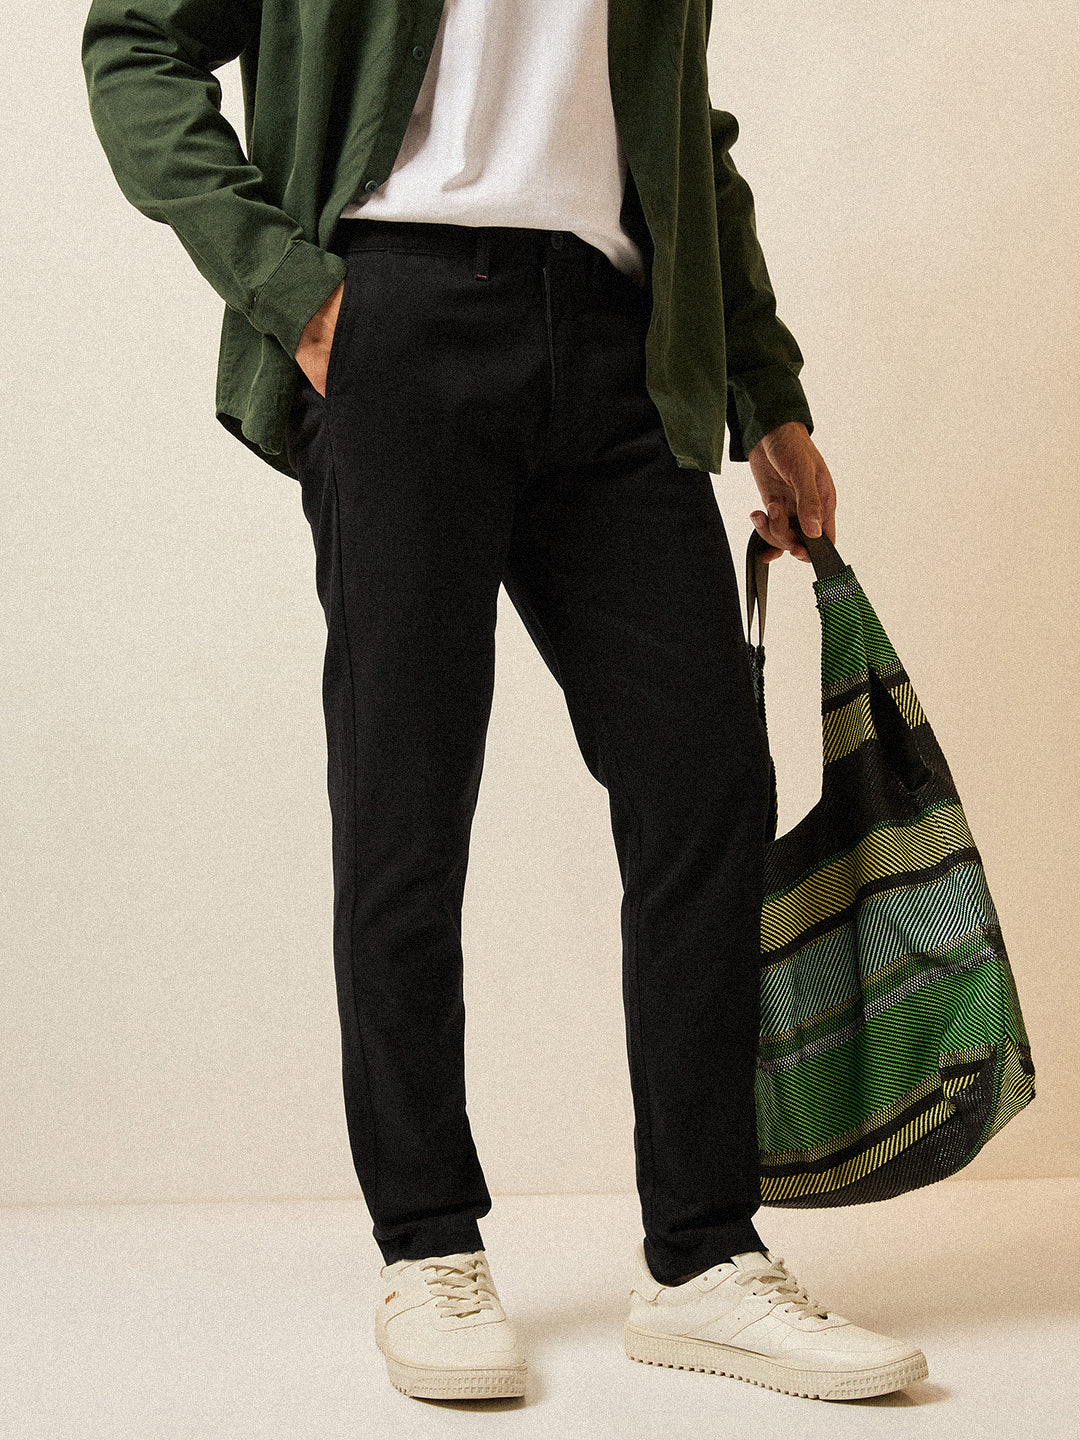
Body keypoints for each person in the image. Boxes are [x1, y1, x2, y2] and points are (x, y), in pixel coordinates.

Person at [81, 0, 928, 1406]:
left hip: (617, 337)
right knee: (407, 801)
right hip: (394, 315)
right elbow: (133, 44)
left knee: (706, 781)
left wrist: (766, 390)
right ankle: (427, 1242)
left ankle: (705, 1256)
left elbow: (683, 127)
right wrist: (292, 290)